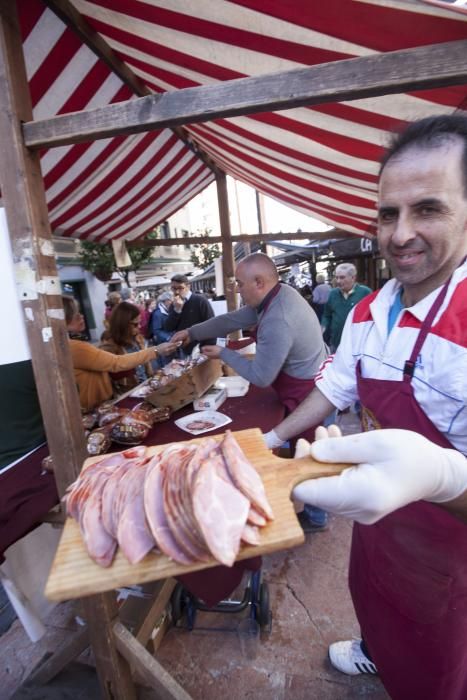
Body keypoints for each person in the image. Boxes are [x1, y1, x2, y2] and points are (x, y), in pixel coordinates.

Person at [264, 114, 467, 699]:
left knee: (438, 659)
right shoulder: (367, 311)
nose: (400, 233)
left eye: (427, 209)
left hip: (451, 538)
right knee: (374, 596)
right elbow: (336, 387)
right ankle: (375, 651)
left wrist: (444, 477)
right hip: (378, 517)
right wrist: (275, 440)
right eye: (388, 213)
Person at [172, 253, 329, 531]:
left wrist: (223, 353)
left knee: (309, 455)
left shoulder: (277, 318)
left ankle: (316, 517)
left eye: (240, 284)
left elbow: (262, 376)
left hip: (307, 392)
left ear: (259, 282)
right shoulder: (277, 295)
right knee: (304, 452)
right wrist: (192, 332)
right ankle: (313, 510)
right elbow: (231, 320)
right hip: (304, 380)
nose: (237, 289)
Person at [63, 295, 179, 411]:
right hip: (111, 403)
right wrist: (155, 351)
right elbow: (117, 363)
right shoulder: (77, 347)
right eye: (76, 313)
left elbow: (143, 369)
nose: (81, 316)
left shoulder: (137, 339)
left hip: (133, 396)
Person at [99, 301, 155, 394]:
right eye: (135, 324)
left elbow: (146, 369)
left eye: (140, 322)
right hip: (128, 396)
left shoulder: (138, 338)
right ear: (123, 324)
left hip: (146, 390)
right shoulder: (109, 346)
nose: (140, 326)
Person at [321, 263, 371, 352]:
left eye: (342, 277)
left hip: (358, 345)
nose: (338, 281)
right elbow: (326, 315)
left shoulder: (365, 293)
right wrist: (323, 327)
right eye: (337, 277)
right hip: (336, 344)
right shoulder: (333, 294)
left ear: (353, 278)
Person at [164, 274, 215, 355]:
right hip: (183, 349)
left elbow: (211, 324)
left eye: (180, 288)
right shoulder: (173, 304)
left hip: (202, 348)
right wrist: (177, 310)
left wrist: (209, 346)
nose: (176, 292)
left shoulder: (200, 300)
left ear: (188, 287)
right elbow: (168, 327)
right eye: (174, 288)